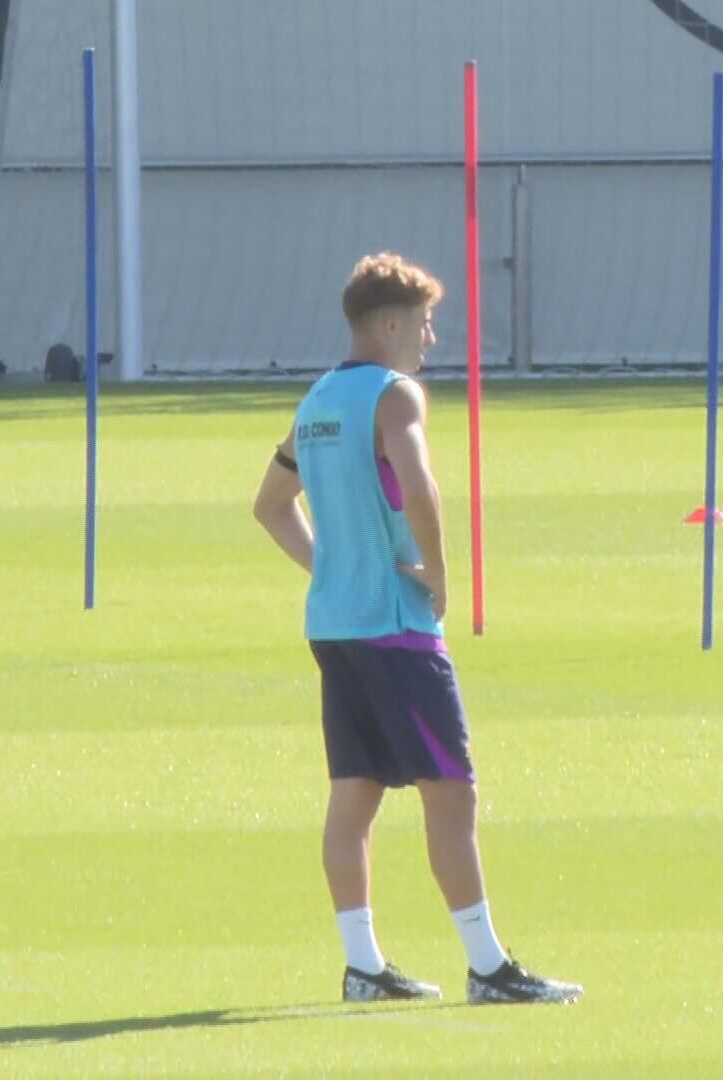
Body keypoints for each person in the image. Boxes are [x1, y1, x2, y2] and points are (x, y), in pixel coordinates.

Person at [252, 252, 583, 1002]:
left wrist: (332, 571)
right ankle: (488, 967)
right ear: (392, 324)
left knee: (355, 793)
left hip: (335, 626)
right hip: (397, 628)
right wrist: (437, 573)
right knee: (451, 791)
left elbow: (270, 505)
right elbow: (422, 485)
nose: (432, 338)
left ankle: (363, 967)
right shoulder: (396, 396)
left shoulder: (315, 401)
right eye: (427, 323)